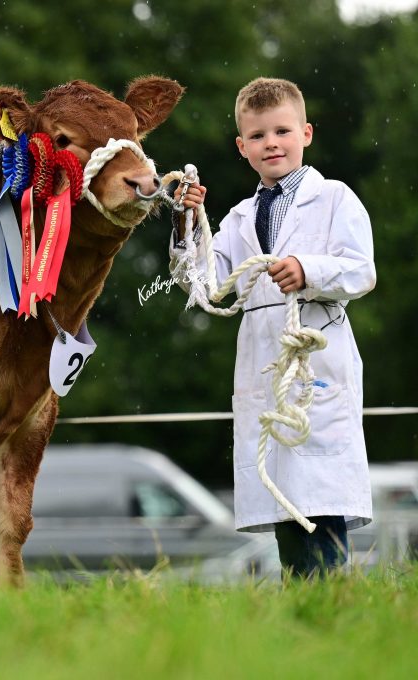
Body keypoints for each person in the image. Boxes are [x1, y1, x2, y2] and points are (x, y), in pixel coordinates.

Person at [171, 77, 376, 578]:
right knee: (284, 496)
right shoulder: (240, 217)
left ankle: (331, 600)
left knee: (320, 497)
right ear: (242, 147)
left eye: (282, 131)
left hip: (314, 358)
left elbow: (362, 270)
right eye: (258, 136)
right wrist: (186, 220)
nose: (272, 144)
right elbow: (207, 285)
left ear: (306, 133)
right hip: (265, 365)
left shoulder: (335, 199)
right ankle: (300, 601)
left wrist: (308, 270)